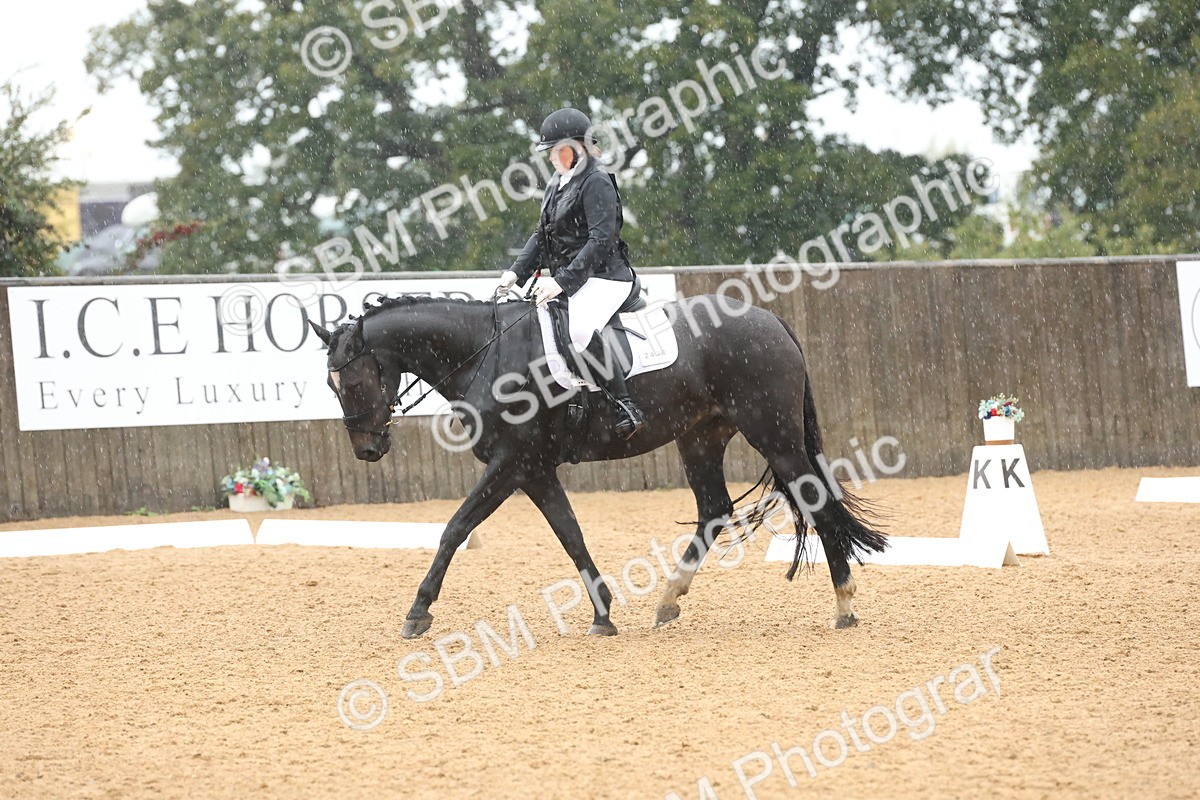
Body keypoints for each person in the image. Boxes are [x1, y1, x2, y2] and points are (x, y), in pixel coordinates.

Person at [496, 107, 645, 440]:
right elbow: (542, 235)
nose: (550, 158)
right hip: (575, 279)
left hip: (607, 278)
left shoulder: (597, 181)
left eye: (554, 150)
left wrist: (562, 281)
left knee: (577, 330)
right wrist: (515, 273)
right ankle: (578, 397)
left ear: (575, 147)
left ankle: (625, 405)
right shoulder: (557, 184)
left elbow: (601, 239)